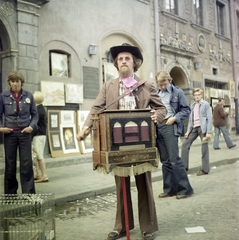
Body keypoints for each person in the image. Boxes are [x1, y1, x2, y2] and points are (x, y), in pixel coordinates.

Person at [77, 43, 167, 240]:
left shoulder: (147, 86)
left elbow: (162, 110)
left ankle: (148, 226)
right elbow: (96, 109)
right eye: (120, 59)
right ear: (116, 65)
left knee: (144, 184)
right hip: (116, 143)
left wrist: (156, 116)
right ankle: (122, 225)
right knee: (121, 186)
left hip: (142, 142)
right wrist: (86, 127)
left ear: (134, 63)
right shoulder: (108, 86)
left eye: (127, 58)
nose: (123, 61)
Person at [155, 71, 194, 199]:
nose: (162, 87)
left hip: (170, 126)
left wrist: (175, 118)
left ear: (169, 81)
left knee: (174, 160)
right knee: (165, 161)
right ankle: (170, 189)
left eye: (164, 84)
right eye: (160, 84)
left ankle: (185, 189)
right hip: (158, 127)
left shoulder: (177, 92)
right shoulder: (156, 93)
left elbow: (186, 110)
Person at [0, 71, 38, 194]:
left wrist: (31, 127)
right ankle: (10, 194)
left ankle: (29, 193)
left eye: (17, 81)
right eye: (13, 81)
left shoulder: (29, 96)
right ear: (9, 83)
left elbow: (35, 115)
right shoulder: (3, 96)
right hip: (9, 134)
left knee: (26, 164)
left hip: (25, 134)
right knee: (10, 164)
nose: (15, 84)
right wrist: (1, 128)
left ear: (21, 82)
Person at [181, 88, 212, 176]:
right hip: (194, 128)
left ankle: (205, 170)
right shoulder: (193, 105)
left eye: (198, 95)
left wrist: (209, 132)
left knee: (204, 148)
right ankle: (184, 167)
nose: (197, 96)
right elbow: (191, 120)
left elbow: (209, 118)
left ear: (201, 95)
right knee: (185, 145)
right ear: (193, 96)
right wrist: (188, 131)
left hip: (203, 129)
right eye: (195, 95)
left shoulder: (205, 104)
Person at [31, 91, 49, 183]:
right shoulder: (42, 109)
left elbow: (34, 124)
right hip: (41, 135)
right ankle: (36, 174)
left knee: (39, 156)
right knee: (37, 155)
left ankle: (44, 175)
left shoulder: (37, 110)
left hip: (38, 136)